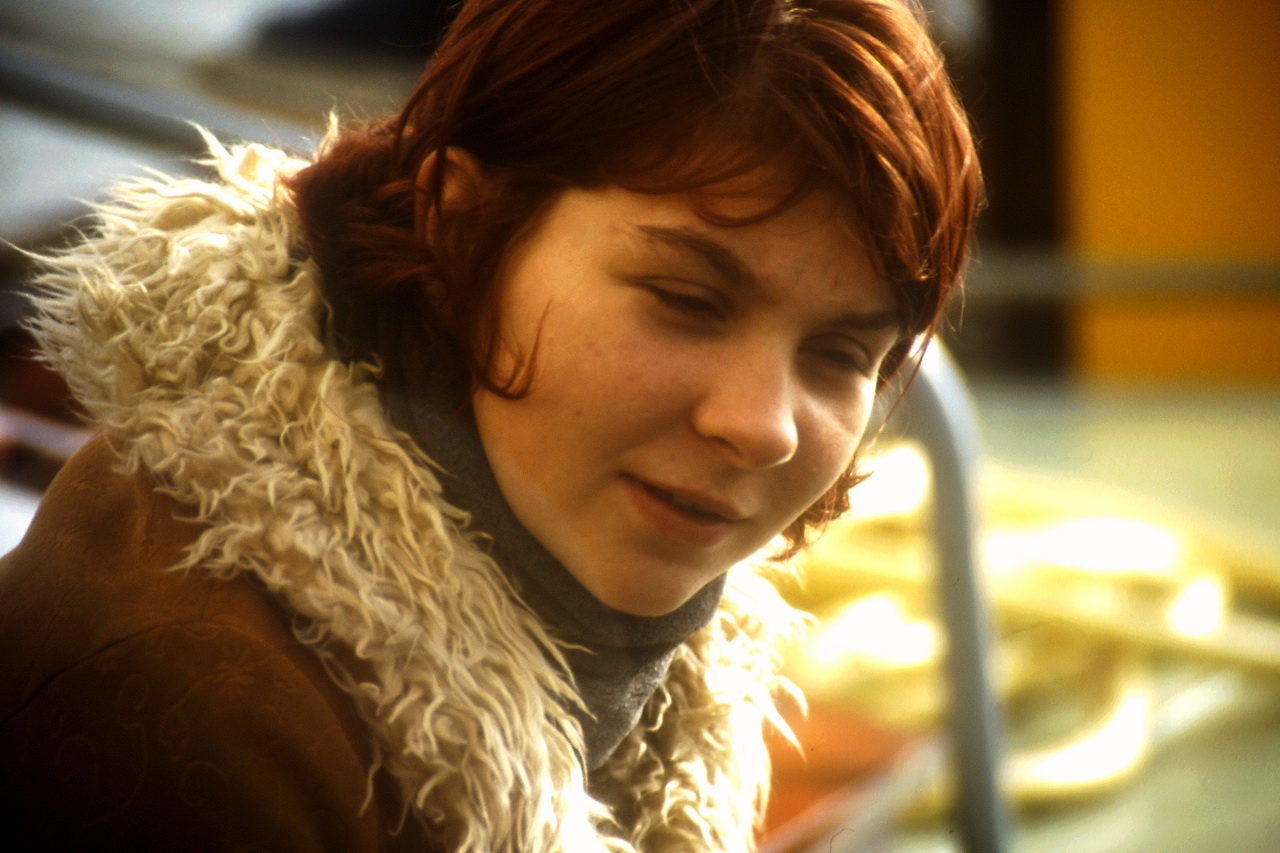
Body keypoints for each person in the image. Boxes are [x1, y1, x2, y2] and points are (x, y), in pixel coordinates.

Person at [0, 0, 980, 850]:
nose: (762, 428)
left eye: (841, 354)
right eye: (687, 300)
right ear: (462, 226)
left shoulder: (614, 610)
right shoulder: (194, 715)